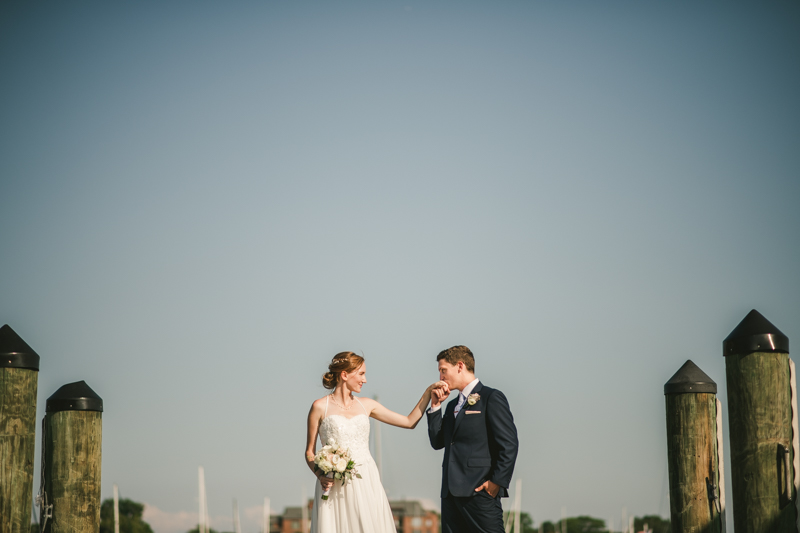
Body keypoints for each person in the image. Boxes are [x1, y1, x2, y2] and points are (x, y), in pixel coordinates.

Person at [306, 351, 447, 533]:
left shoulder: (367, 404)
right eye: (361, 374)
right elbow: (310, 452)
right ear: (344, 374)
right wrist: (319, 474)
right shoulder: (319, 406)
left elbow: (409, 422)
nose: (365, 380)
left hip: (366, 479)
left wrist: (428, 393)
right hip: (333, 486)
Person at [427, 345, 519, 533]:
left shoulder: (491, 397)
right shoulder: (452, 404)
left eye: (443, 371)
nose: (440, 378)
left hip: (480, 492)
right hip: (450, 495)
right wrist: (435, 407)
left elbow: (509, 444)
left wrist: (497, 482)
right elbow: (437, 442)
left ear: (460, 366)